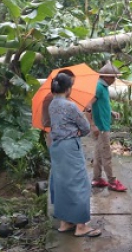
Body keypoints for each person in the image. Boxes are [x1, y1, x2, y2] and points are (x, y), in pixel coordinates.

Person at [48, 72, 101, 237]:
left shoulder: (52, 105)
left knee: (62, 183)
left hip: (56, 148)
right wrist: (86, 112)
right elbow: (85, 127)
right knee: (80, 183)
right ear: (68, 88)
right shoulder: (70, 106)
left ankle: (65, 222)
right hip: (70, 147)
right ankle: (81, 226)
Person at [85, 61, 127, 192]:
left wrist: (111, 112)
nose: (114, 80)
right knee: (107, 155)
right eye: (113, 77)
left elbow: (100, 105)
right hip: (101, 127)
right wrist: (93, 125)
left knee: (98, 154)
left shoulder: (103, 87)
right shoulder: (98, 87)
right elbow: (88, 106)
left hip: (102, 125)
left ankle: (97, 178)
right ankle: (112, 181)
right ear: (106, 76)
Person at [42, 69, 76, 205]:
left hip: (56, 135)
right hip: (54, 135)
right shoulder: (53, 98)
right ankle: (57, 201)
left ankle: (58, 200)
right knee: (58, 169)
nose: (71, 87)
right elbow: (47, 121)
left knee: (58, 168)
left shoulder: (59, 99)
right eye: (71, 83)